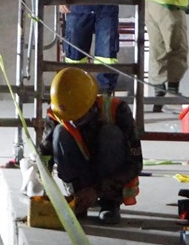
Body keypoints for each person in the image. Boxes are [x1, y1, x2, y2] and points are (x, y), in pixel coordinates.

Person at [39, 67, 144, 224]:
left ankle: (109, 203)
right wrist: (44, 191)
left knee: (111, 133)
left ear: (91, 105)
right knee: (61, 132)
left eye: (78, 117)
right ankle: (78, 197)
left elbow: (135, 164)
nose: (73, 121)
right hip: (80, 175)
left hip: (108, 178)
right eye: (69, 118)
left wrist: (97, 190)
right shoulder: (59, 113)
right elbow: (45, 154)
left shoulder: (117, 110)